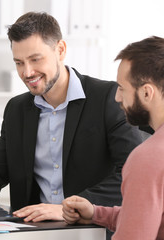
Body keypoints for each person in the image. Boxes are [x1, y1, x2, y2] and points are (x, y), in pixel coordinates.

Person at [0, 12, 142, 224]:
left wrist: (67, 208)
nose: (27, 72)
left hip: (92, 228)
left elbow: (133, 174)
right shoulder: (17, 110)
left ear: (60, 50)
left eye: (35, 59)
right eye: (19, 63)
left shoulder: (108, 98)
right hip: (34, 231)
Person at [62, 36, 164, 239]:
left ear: (146, 93)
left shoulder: (148, 158)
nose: (117, 97)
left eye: (122, 88)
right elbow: (153, 220)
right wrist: (97, 213)